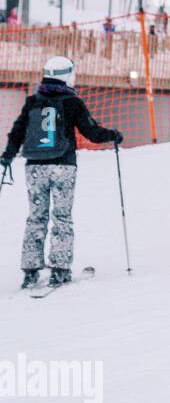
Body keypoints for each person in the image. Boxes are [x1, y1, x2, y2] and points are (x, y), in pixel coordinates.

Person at [1, 56, 122, 290]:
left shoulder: (32, 101)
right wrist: (113, 135)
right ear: (67, 75)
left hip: (34, 167)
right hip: (63, 166)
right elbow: (92, 132)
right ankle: (59, 269)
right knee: (62, 217)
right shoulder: (72, 102)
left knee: (36, 216)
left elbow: (17, 131)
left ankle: (30, 270)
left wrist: (8, 155)